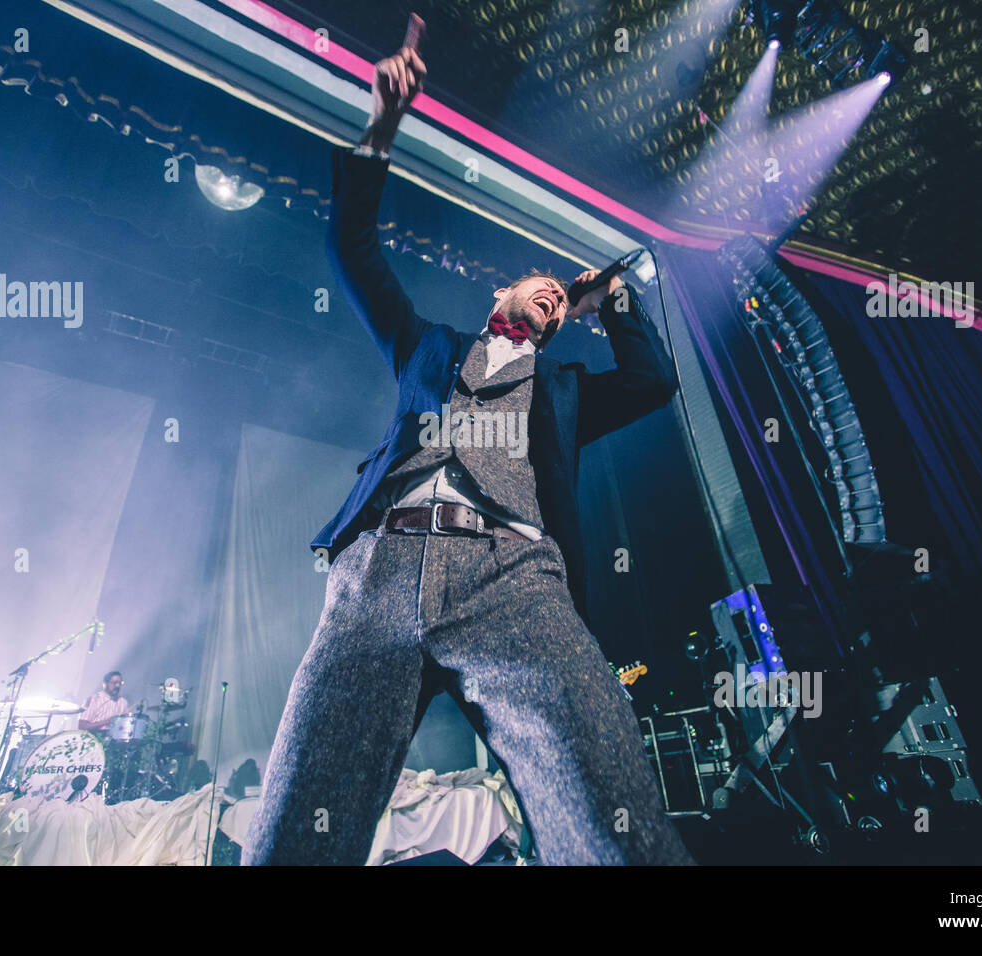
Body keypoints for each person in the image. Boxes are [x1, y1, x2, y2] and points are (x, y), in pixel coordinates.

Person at [245, 40, 691, 865]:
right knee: (298, 820)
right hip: (381, 568)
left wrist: (611, 297)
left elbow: (653, 382)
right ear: (500, 295)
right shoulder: (427, 349)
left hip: (512, 578)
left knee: (602, 798)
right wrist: (382, 127)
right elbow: (353, 250)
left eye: (561, 305)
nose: (552, 301)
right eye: (542, 290)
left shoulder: (561, 394)